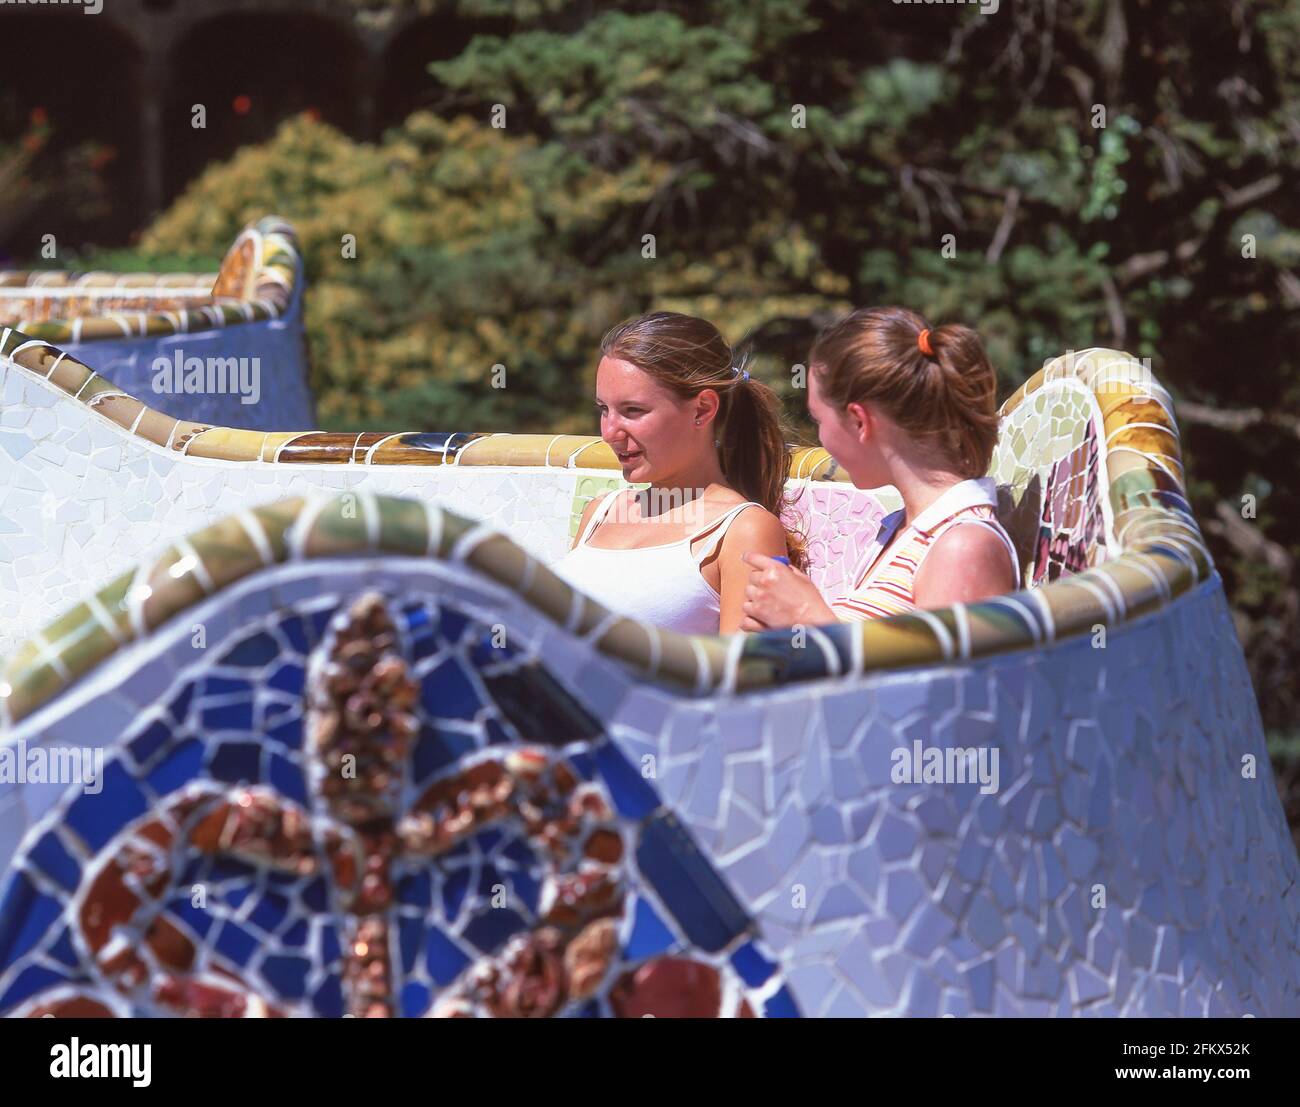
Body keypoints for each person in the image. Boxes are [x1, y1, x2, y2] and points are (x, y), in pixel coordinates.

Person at [739, 306, 1019, 630]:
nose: (820, 437)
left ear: (859, 421)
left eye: (818, 420)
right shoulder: (902, 530)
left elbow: (954, 680)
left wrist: (808, 618)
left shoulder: (962, 546)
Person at [550, 311, 807, 634]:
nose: (609, 431)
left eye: (633, 411)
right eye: (604, 409)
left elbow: (744, 673)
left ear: (702, 410)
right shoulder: (601, 512)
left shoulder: (743, 529)